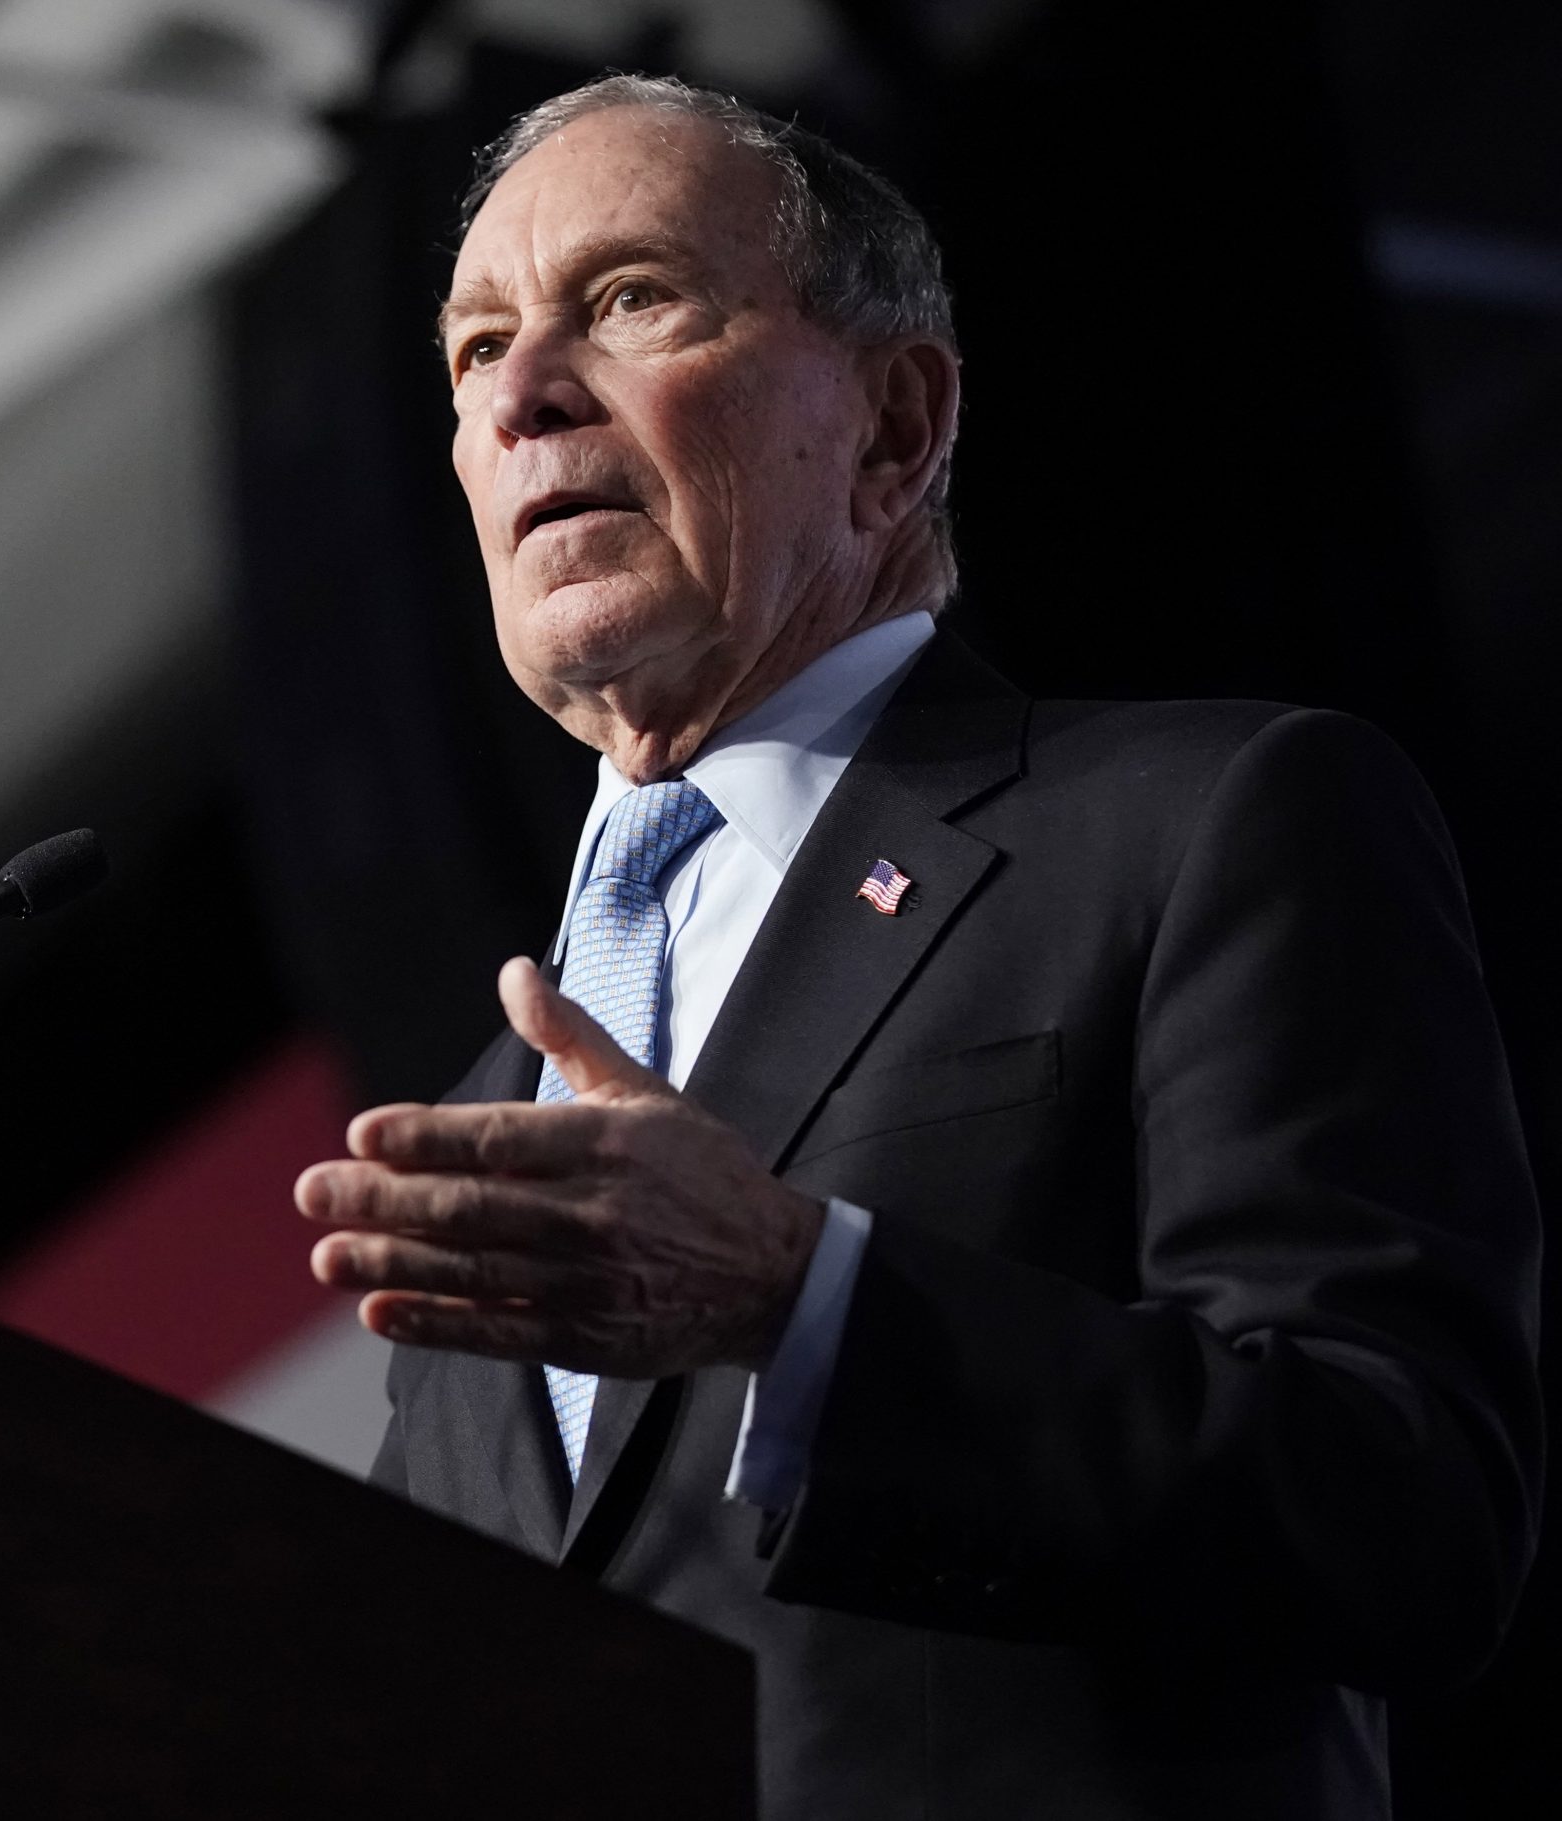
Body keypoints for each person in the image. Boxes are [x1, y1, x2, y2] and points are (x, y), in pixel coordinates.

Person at [293, 75, 1541, 1820]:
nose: (522, 389)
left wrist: (810, 1300)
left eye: (633, 298)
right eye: (475, 346)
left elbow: (1402, 1509)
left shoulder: (1201, 823)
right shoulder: (488, 1117)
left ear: (893, 424)